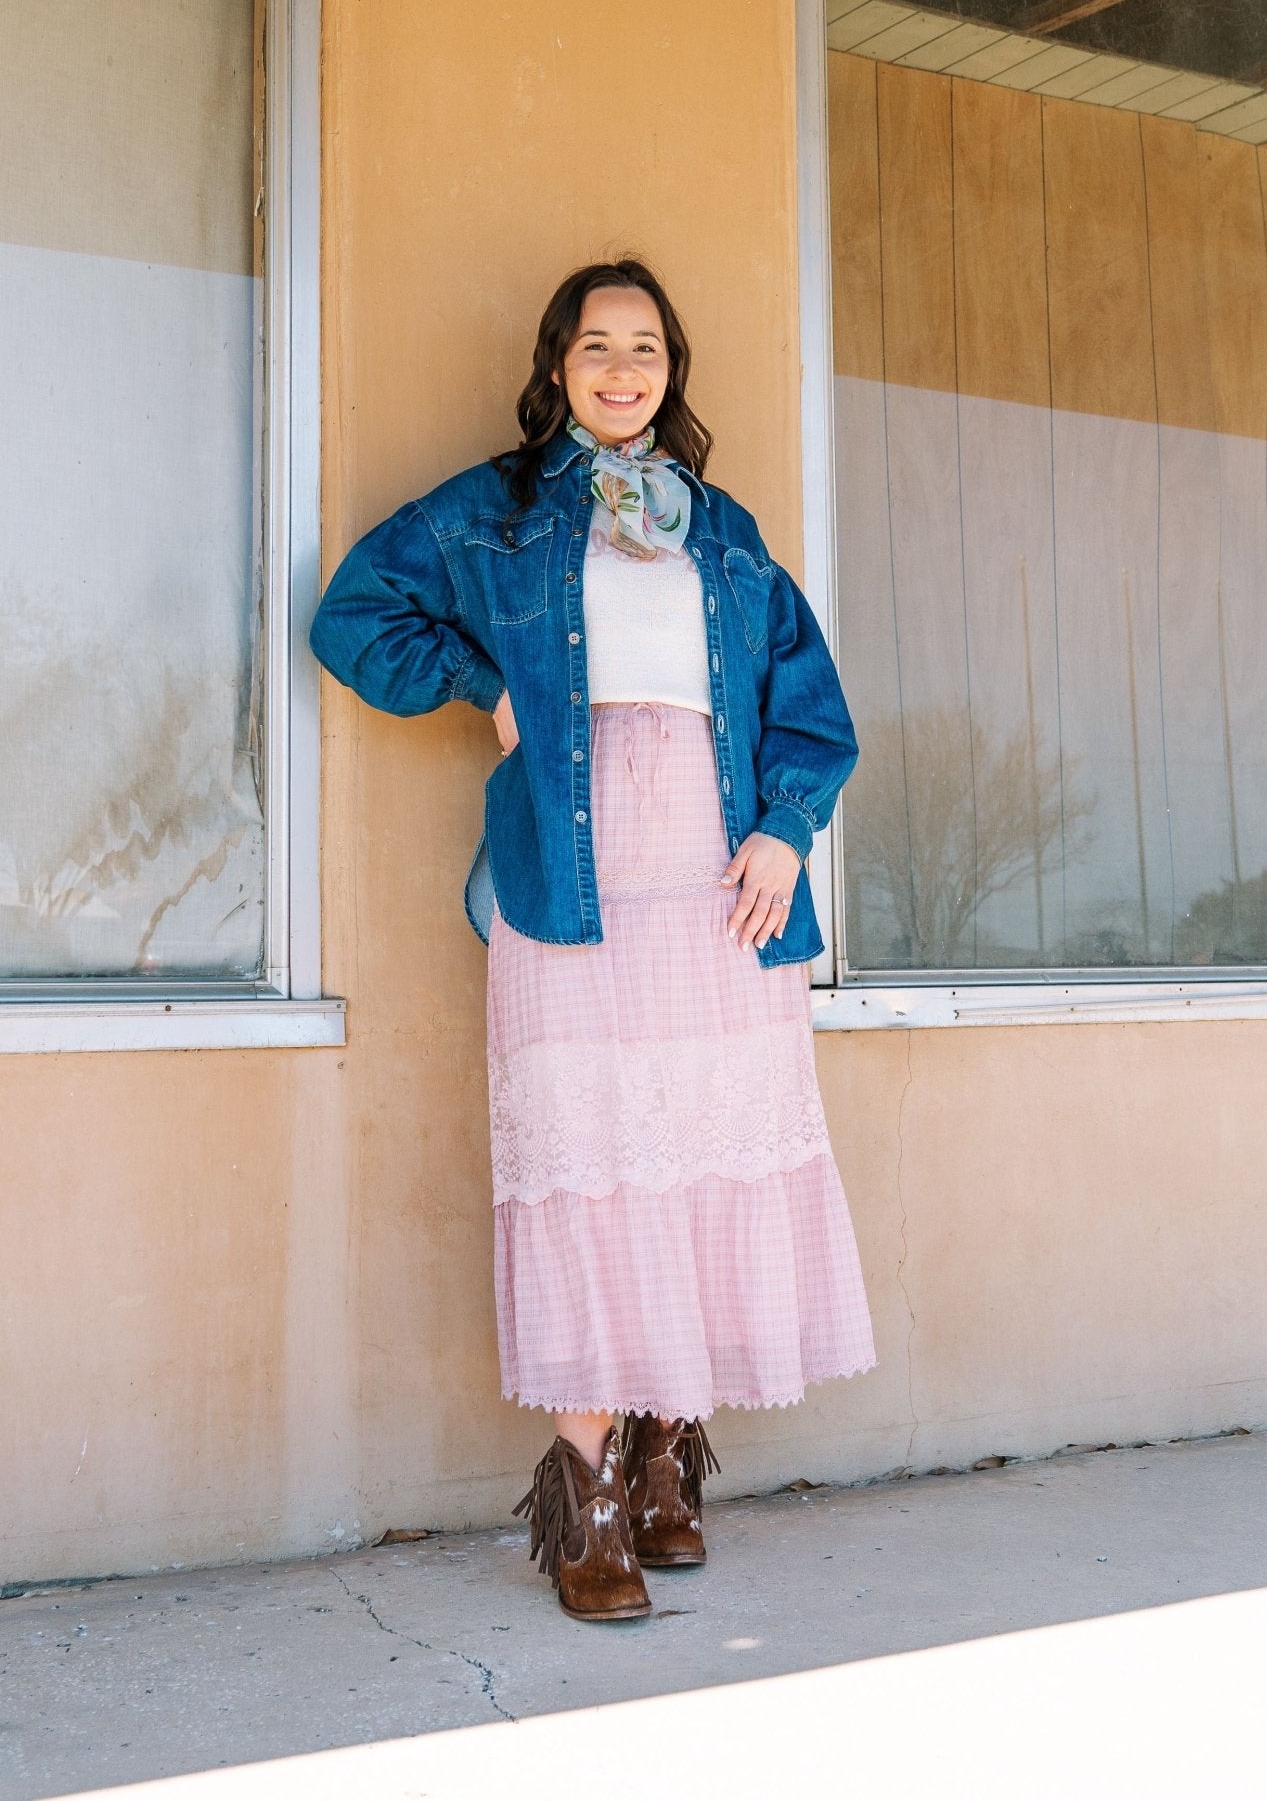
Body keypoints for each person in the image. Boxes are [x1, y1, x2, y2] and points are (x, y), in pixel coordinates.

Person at [310, 258, 875, 1622]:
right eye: (594, 347)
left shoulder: (721, 531)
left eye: (646, 349)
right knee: (589, 1162)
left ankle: (667, 1457)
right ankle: (587, 1499)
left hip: (718, 872)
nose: (623, 371)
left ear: (669, 370)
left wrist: (788, 828)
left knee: (699, 1159)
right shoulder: (493, 512)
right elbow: (352, 615)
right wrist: (480, 683)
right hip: (570, 875)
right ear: (555, 366)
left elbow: (808, 705)